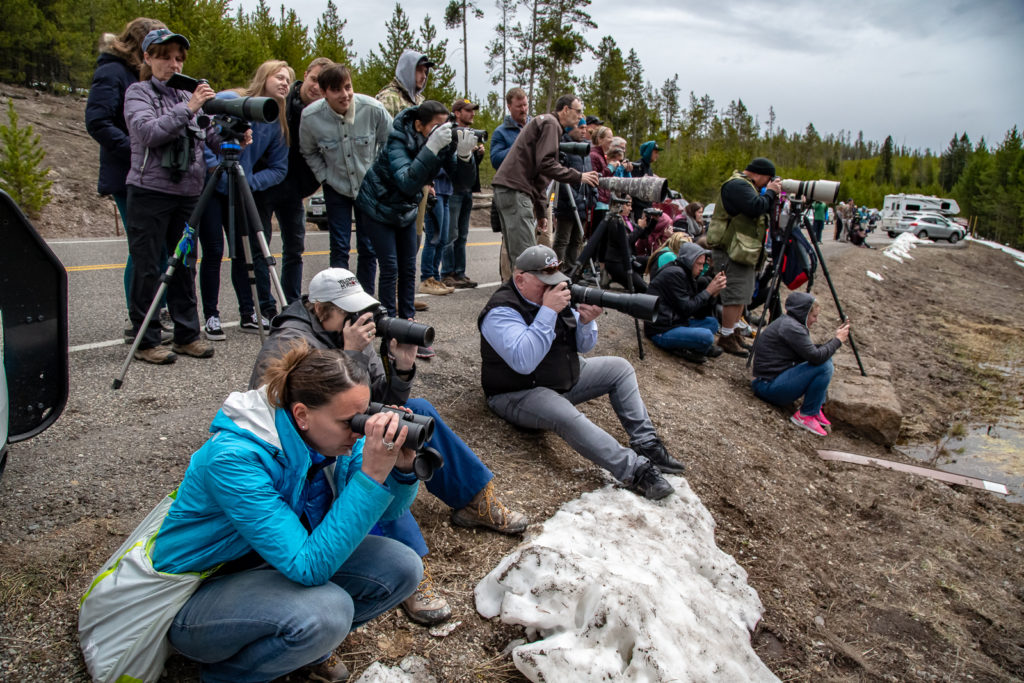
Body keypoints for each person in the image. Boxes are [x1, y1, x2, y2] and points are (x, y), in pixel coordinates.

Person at [249, 268, 528, 624]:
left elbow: (383, 401)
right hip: (309, 446)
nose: (360, 319)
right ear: (321, 310)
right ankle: (406, 561)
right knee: (374, 451)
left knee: (417, 411)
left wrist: (402, 367)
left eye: (361, 310)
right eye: (349, 312)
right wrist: (350, 354)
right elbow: (279, 416)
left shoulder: (351, 334)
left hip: (344, 426)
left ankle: (474, 499)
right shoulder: (287, 341)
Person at [141, 343, 421, 682]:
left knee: (402, 567)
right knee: (327, 613)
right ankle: (229, 675)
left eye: (364, 415)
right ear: (302, 415)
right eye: (350, 421)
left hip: (268, 571)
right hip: (196, 599)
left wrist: (402, 472)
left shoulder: (331, 438)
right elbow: (307, 567)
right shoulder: (234, 459)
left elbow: (392, 512)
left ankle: (291, 650)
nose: (359, 430)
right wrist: (372, 476)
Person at [479, 245, 682, 500]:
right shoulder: (501, 311)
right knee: (565, 414)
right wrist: (548, 312)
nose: (553, 288)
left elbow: (583, 346)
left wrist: (586, 322)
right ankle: (635, 470)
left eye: (555, 280)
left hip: (557, 379)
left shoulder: (553, 297)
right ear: (520, 279)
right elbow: (524, 362)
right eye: (545, 282)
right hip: (517, 391)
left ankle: (647, 443)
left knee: (620, 368)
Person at [123, 28, 223, 364]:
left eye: (179, 57)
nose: (174, 64)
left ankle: (187, 335)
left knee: (184, 265)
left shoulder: (188, 97)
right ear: (148, 57)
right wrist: (191, 107)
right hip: (149, 191)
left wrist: (232, 135)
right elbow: (147, 132)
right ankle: (147, 339)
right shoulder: (138, 92)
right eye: (165, 56)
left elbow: (210, 135)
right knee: (148, 265)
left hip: (187, 194)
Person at [356, 101, 476, 344]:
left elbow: (462, 184)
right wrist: (430, 148)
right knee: (390, 267)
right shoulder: (398, 140)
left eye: (446, 126)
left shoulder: (441, 144)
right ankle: (389, 325)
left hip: (405, 210)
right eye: (436, 126)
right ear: (419, 125)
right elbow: (407, 182)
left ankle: (408, 324)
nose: (443, 131)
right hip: (376, 207)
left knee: (408, 268)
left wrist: (465, 157)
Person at [84, 17, 169, 342]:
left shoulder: (141, 76)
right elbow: (97, 121)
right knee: (143, 248)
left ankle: (154, 312)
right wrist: (137, 149)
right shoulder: (112, 72)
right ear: (141, 45)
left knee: (160, 249)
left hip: (155, 175)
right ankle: (141, 321)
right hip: (128, 174)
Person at [198, 60, 291, 339]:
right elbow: (201, 130)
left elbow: (279, 168)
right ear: (264, 76)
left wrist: (248, 181)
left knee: (243, 252)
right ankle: (211, 316)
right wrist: (214, 164)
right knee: (213, 251)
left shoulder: (275, 122)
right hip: (212, 188)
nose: (286, 82)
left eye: (289, 79)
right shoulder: (230, 100)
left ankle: (248, 312)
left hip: (241, 188)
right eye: (280, 76)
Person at [300, 63, 390, 293]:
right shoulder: (310, 117)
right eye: (337, 90)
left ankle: (365, 299)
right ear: (324, 92)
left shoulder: (372, 108)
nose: (345, 95)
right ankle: (340, 298)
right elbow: (308, 151)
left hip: (368, 186)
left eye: (348, 87)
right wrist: (325, 176)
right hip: (336, 186)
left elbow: (392, 141)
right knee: (339, 246)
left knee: (368, 247)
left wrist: (379, 174)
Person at [492, 95, 599, 274]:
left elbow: (539, 175)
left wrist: (541, 212)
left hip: (510, 189)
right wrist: (578, 176)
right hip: (515, 190)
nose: (581, 117)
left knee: (517, 257)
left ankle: (516, 297)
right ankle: (526, 299)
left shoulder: (546, 123)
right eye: (578, 111)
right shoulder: (551, 124)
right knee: (527, 257)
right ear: (565, 109)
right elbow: (546, 164)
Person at [261, 57, 331, 305]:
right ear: (306, 74)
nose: (315, 87)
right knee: (262, 247)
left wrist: (308, 185)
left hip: (295, 189)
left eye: (322, 84)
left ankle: (290, 301)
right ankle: (264, 303)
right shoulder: (282, 97)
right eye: (313, 79)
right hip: (266, 184)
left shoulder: (326, 113)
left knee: (294, 248)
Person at [705, 157, 781, 357]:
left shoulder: (746, 186)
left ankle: (735, 333)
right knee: (735, 294)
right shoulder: (737, 185)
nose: (768, 183)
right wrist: (772, 192)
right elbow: (756, 206)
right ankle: (727, 336)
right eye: (768, 179)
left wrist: (771, 193)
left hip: (741, 250)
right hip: (731, 250)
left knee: (743, 294)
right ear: (759, 174)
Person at [750, 292, 849, 436]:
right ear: (803, 313)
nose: (816, 320)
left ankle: (814, 408)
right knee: (824, 366)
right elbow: (816, 357)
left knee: (826, 359)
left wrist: (834, 342)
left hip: (770, 381)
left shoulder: (790, 323)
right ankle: (806, 415)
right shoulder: (792, 328)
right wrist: (837, 340)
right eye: (814, 316)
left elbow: (813, 353)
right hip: (767, 387)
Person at [645, 243, 726, 364]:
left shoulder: (686, 274)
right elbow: (687, 309)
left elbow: (698, 313)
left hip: (676, 321)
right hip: (661, 329)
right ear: (689, 261)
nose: (701, 268)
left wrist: (713, 294)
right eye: (699, 264)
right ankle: (684, 348)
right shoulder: (675, 274)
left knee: (712, 323)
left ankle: (690, 346)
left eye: (703, 264)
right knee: (707, 336)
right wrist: (708, 291)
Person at [441, 98, 485, 290]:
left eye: (473, 110)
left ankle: (460, 272)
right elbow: (451, 165)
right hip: (453, 190)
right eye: (468, 110)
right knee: (451, 234)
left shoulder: (471, 135)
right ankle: (447, 273)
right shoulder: (450, 133)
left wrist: (476, 156)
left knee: (463, 235)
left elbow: (469, 170)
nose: (472, 113)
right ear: (457, 113)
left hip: (467, 190)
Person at [489, 87, 531, 279]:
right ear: (509, 106)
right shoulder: (501, 132)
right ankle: (511, 281)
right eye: (519, 106)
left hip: (534, 190)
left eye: (526, 104)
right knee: (515, 244)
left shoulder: (533, 126)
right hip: (513, 190)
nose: (523, 109)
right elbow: (496, 160)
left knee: (540, 239)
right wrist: (519, 143)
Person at [552, 117, 594, 271]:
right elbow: (560, 175)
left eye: (585, 128)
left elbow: (590, 174)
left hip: (583, 203)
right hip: (567, 202)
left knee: (577, 240)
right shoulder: (563, 147)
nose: (584, 131)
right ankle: (556, 270)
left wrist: (592, 195)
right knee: (563, 239)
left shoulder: (586, 150)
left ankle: (571, 270)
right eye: (580, 127)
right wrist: (574, 197)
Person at [589, 125, 614, 236]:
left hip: (604, 202)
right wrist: (610, 168)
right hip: (597, 203)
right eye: (609, 137)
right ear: (600, 139)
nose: (612, 140)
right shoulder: (594, 155)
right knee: (597, 238)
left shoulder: (601, 156)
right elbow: (596, 178)